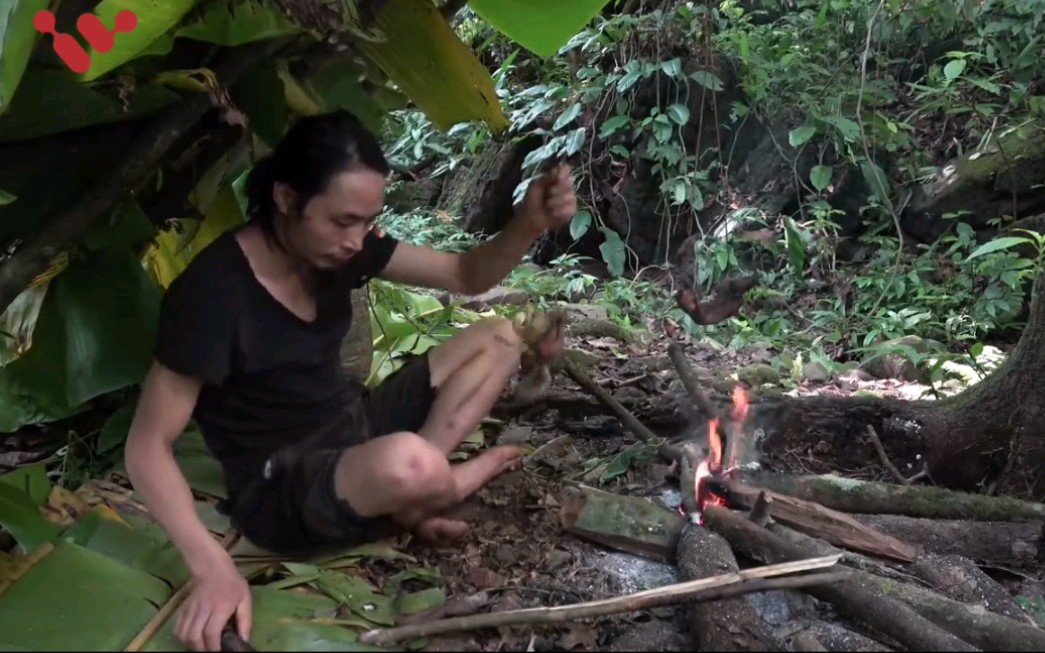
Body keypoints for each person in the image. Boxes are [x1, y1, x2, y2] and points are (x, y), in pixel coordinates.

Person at [123, 109, 577, 653]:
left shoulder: (339, 249)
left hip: (353, 426)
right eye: (343, 221)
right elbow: (147, 447)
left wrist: (527, 223)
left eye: (366, 221)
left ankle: (414, 493)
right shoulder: (213, 293)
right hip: (284, 486)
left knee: (499, 336)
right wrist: (211, 564)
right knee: (410, 462)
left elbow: (466, 275)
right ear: (288, 200)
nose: (356, 239)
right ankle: (435, 485)